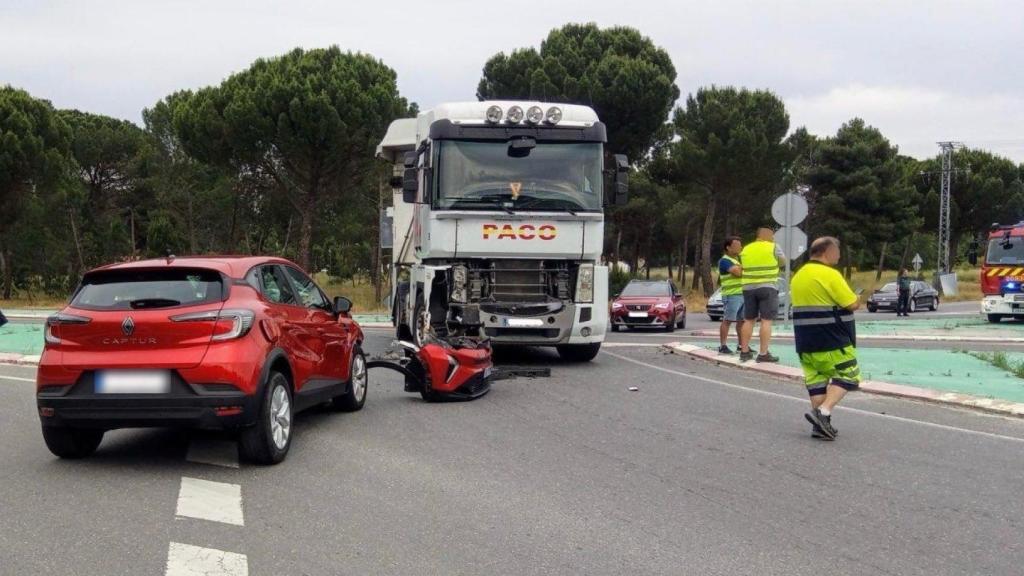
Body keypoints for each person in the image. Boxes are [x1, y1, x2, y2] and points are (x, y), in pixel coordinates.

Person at [791, 236, 861, 440]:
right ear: (827, 252)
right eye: (837, 251)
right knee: (849, 375)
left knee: (817, 382)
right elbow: (851, 304)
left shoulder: (798, 275)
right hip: (831, 338)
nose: (838, 255)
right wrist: (857, 297)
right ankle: (823, 412)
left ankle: (821, 426)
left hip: (805, 340)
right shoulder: (829, 274)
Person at [738, 227, 786, 362]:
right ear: (768, 236)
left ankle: (744, 351)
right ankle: (763, 353)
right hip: (767, 287)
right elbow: (783, 261)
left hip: (748, 287)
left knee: (749, 320)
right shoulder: (773, 247)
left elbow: (742, 264)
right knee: (766, 320)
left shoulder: (746, 248)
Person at [717, 236, 744, 354]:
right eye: (736, 246)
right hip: (731, 295)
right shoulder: (724, 261)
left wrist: (742, 267)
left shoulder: (738, 260)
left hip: (742, 294)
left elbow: (742, 271)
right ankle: (723, 346)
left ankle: (741, 345)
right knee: (727, 320)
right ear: (728, 247)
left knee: (742, 321)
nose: (740, 247)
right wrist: (744, 268)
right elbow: (738, 273)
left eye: (740, 245)